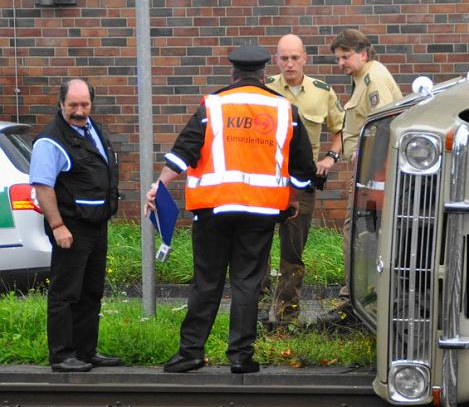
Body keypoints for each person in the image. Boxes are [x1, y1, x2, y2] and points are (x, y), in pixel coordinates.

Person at [145, 45, 316, 374]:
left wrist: (160, 184)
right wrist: (293, 198)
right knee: (247, 283)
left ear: (233, 74)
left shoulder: (213, 104)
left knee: (206, 281)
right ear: (265, 74)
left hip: (213, 210)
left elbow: (184, 150)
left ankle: (190, 353)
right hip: (260, 212)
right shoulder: (284, 109)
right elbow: (302, 168)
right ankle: (240, 356)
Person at [29, 78, 122, 372]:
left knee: (91, 291)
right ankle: (62, 355)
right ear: (61, 104)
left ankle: (85, 351)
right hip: (71, 227)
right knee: (66, 292)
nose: (80, 111)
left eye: (84, 104)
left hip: (96, 225)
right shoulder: (50, 139)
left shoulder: (92, 129)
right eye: (73, 106)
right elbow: (43, 187)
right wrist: (57, 226)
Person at [314, 28, 402, 327]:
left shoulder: (372, 78)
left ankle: (355, 300)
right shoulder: (364, 77)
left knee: (360, 232)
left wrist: (372, 176)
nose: (341, 63)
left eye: (346, 57)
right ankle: (360, 296)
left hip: (374, 170)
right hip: (370, 168)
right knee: (365, 232)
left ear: (363, 53)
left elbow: (385, 125)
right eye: (338, 58)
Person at [264, 34, 344, 325]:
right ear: (276, 60)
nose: (289, 64)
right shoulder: (265, 89)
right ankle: (258, 313)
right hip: (265, 180)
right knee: (257, 248)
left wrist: (329, 158)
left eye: (294, 57)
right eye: (283, 58)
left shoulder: (322, 92)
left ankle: (287, 317)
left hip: (300, 182)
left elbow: (341, 132)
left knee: (293, 252)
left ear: (305, 58)